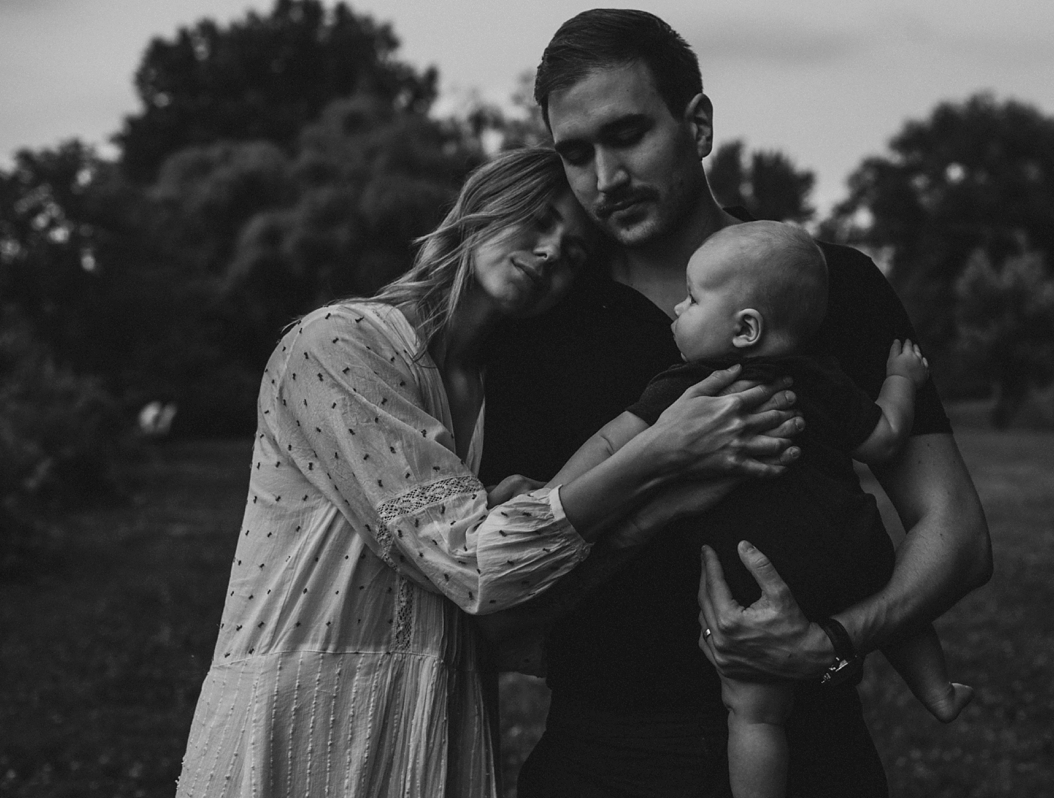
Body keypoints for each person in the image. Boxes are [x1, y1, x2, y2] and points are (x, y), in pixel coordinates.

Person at [175, 147, 802, 798]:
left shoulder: (501, 397)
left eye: (577, 251)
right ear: (480, 213)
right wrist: (661, 450)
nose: (556, 249)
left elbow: (519, 604)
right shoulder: (339, 343)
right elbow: (478, 565)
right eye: (538, 220)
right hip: (306, 722)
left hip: (435, 724)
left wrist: (663, 506)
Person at [479, 10, 992, 797]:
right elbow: (508, 606)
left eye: (628, 135)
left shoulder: (829, 286)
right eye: (576, 154)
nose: (605, 179)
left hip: (814, 745)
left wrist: (830, 642)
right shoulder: (539, 325)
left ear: (700, 124)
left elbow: (954, 530)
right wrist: (658, 486)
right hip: (605, 751)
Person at [546, 220, 975, 798]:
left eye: (693, 300)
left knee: (755, 714)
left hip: (758, 574)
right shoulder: (824, 377)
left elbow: (609, 444)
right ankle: (937, 691)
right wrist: (900, 378)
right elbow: (887, 439)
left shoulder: (691, 385)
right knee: (896, 599)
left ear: (746, 329)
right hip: (848, 547)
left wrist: (553, 492)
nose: (679, 308)